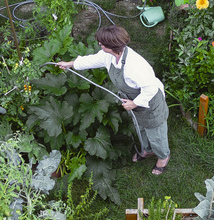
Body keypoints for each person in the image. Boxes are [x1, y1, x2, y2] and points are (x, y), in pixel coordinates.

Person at [56, 26, 171, 175]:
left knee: (156, 132)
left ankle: (163, 156)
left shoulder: (135, 66)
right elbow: (93, 60)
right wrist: (70, 64)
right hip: (134, 102)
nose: (100, 45)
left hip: (150, 103)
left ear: (112, 46)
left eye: (102, 44)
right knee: (140, 127)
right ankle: (148, 150)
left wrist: (135, 103)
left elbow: (150, 88)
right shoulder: (109, 56)